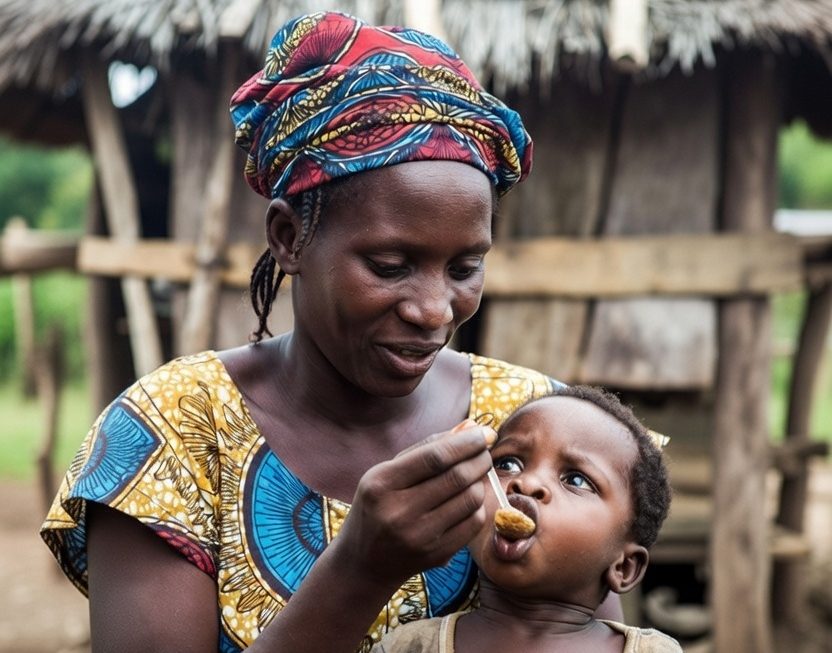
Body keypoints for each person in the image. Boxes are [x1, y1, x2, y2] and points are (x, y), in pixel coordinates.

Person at [41, 11, 623, 653]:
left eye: (464, 267)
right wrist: (359, 571)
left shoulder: (537, 428)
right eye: (390, 266)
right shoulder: (172, 437)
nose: (433, 310)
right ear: (289, 238)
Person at [372, 384, 680, 653]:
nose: (526, 483)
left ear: (623, 567)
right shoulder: (410, 646)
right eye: (508, 463)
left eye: (575, 480)